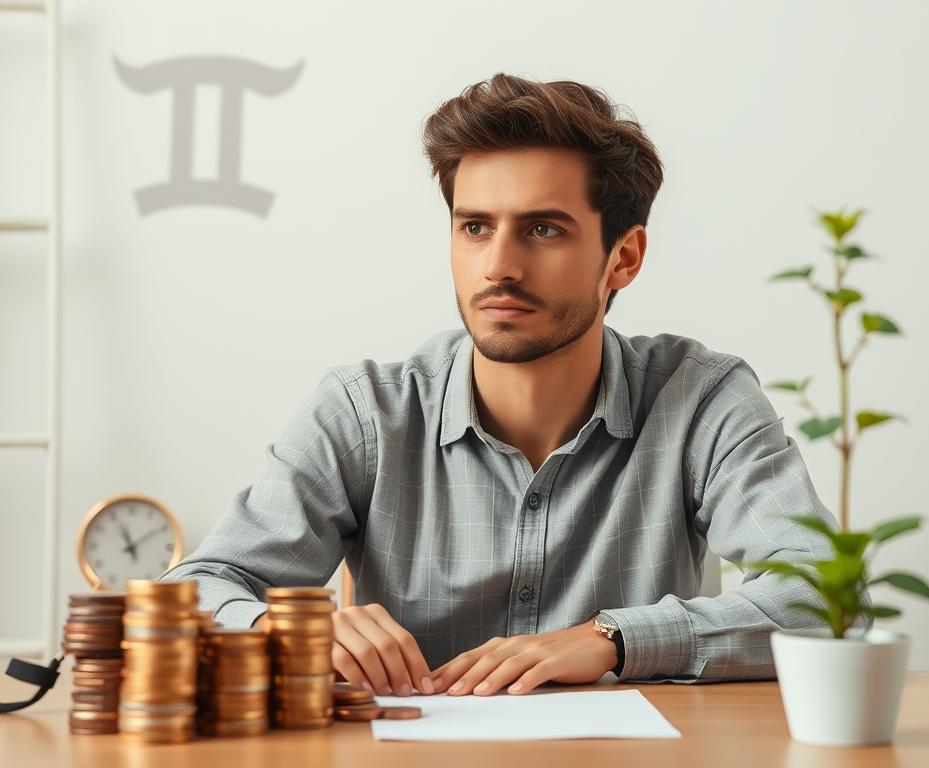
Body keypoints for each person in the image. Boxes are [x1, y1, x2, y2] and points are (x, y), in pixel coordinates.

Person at [161, 72, 863, 699]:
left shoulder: (701, 399)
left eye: (543, 229)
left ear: (623, 258)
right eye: (474, 227)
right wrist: (284, 625)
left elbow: (825, 596)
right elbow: (194, 588)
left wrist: (612, 639)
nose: (498, 265)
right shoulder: (365, 412)